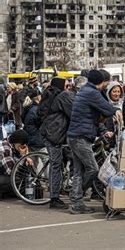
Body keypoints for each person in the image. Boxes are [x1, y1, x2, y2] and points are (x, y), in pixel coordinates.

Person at [67, 70, 122, 214]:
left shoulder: (85, 90)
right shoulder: (92, 92)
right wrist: (115, 110)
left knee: (79, 171)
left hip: (75, 135)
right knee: (93, 169)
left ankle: (77, 204)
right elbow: (105, 107)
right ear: (101, 82)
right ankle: (76, 196)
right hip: (80, 137)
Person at [41, 76, 88, 209]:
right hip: (53, 135)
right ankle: (54, 199)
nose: (69, 87)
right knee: (56, 165)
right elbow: (75, 113)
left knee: (64, 162)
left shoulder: (59, 94)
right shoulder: (64, 96)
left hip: (55, 134)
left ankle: (63, 189)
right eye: (66, 85)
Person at [0, 130, 30, 198]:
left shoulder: (12, 146)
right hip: (4, 174)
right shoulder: (5, 148)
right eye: (21, 145)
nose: (23, 147)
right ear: (15, 143)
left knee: (24, 180)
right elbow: (11, 171)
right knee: (17, 180)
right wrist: (23, 157)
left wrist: (26, 156)